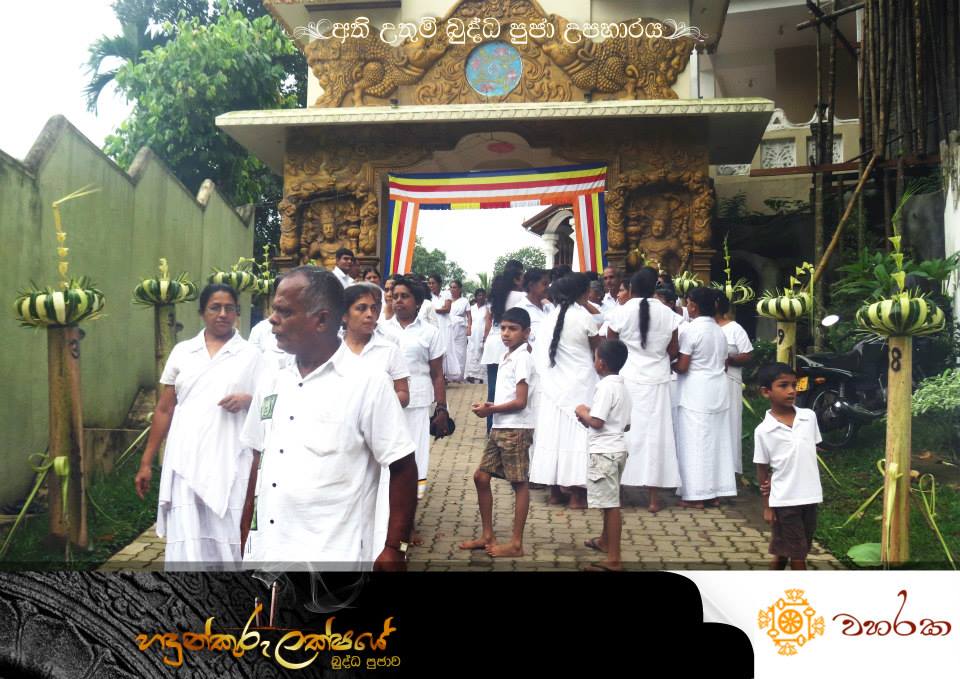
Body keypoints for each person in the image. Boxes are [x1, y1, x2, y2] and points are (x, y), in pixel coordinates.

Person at [238, 267, 417, 570]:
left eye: (284, 311)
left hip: (334, 558)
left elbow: (403, 465)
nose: (272, 319)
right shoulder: (272, 381)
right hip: (268, 554)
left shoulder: (367, 383)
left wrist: (394, 548)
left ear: (321, 320)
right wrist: (246, 533)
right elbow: (258, 460)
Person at [135, 284, 266, 568]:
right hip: (186, 459)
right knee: (188, 537)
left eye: (229, 308)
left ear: (238, 312)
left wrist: (248, 400)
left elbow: (268, 403)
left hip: (231, 458)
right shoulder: (183, 352)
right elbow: (164, 409)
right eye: (215, 307)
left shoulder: (251, 355)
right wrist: (146, 462)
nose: (223, 314)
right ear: (202, 313)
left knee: (230, 534)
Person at [341, 283, 411, 555]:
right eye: (361, 308)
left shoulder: (388, 349)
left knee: (377, 499)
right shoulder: (333, 350)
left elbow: (404, 393)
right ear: (344, 314)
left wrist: (379, 403)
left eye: (374, 308)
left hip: (378, 436)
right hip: (342, 438)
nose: (370, 314)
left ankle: (382, 550)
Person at [460, 307, 536, 558]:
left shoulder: (523, 358)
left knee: (519, 483)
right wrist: (491, 408)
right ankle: (487, 535)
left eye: (513, 329)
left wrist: (490, 410)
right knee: (481, 477)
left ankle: (516, 544)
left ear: (526, 332)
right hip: (500, 426)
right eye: (503, 328)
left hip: (516, 428)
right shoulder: (508, 355)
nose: (506, 333)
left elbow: (521, 401)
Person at [607, 267, 681, 513]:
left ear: (631, 288)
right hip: (657, 379)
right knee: (656, 435)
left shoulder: (621, 311)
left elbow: (610, 345)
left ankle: (617, 492)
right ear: (655, 288)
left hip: (628, 377)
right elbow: (673, 350)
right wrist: (656, 355)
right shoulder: (668, 313)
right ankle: (653, 498)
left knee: (622, 432)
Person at [529, 273, 601, 509]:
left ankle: (555, 493)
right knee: (578, 437)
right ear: (582, 293)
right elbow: (598, 352)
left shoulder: (548, 319)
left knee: (554, 435)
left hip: (553, 387)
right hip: (581, 385)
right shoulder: (584, 318)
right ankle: (577, 496)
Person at [382, 276, 449, 503]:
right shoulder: (381, 330)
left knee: (414, 453)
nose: (398, 301)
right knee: (387, 451)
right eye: (395, 296)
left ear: (418, 302)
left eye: (405, 296)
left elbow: (437, 374)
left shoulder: (430, 332)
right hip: (386, 400)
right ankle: (386, 503)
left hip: (417, 402)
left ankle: (409, 506)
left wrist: (442, 408)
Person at [753, 363, 823, 570]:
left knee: (785, 552)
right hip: (784, 501)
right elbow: (762, 469)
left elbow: (810, 450)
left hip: (810, 497)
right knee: (798, 555)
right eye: (783, 385)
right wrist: (767, 506)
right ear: (766, 392)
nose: (792, 391)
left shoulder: (808, 417)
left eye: (794, 385)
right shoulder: (764, 430)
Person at [673, 287, 735, 508]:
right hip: (717, 388)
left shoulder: (691, 330)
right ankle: (714, 492)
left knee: (695, 442)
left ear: (694, 306)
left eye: (688, 302)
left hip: (696, 391)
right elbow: (724, 364)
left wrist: (670, 364)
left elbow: (683, 366)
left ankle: (696, 495)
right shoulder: (719, 331)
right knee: (716, 442)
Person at [575, 340, 631, 571]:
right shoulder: (622, 386)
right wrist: (589, 417)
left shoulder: (605, 387)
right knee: (609, 499)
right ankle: (605, 541)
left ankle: (614, 559)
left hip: (604, 452)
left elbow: (597, 421)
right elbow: (625, 424)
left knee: (610, 505)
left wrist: (582, 412)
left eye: (595, 357)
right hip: (617, 448)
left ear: (602, 363)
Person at [480, 260, 526, 431]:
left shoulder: (493, 297)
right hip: (508, 343)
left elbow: (488, 322)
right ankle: (504, 425)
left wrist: (484, 340)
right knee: (509, 388)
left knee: (493, 388)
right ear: (516, 278)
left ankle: (490, 427)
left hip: (493, 342)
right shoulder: (520, 297)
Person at [715, 294, 754, 475]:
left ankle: (729, 470)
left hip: (729, 381)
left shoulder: (734, 328)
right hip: (707, 384)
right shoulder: (700, 327)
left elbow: (747, 355)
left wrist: (729, 359)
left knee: (729, 422)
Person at [515, 268, 553, 349]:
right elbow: (517, 340)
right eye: (544, 284)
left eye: (549, 284)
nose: (548, 288)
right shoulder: (520, 309)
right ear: (531, 285)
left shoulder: (550, 307)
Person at [445, 280, 470, 383]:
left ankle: (459, 377)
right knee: (448, 350)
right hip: (448, 327)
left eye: (454, 287)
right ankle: (448, 376)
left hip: (460, 328)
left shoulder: (464, 301)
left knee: (460, 352)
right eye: (451, 287)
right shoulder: (446, 300)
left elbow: (469, 316)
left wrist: (469, 327)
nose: (452, 289)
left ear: (460, 289)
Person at [464, 288, 488, 383]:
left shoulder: (488, 308)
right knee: (471, 353)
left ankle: (481, 377)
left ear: (485, 297)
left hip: (482, 334)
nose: (481, 297)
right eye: (479, 295)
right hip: (472, 335)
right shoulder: (471, 308)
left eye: (483, 295)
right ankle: (470, 376)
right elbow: (467, 321)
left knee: (481, 354)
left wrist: (486, 336)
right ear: (476, 297)